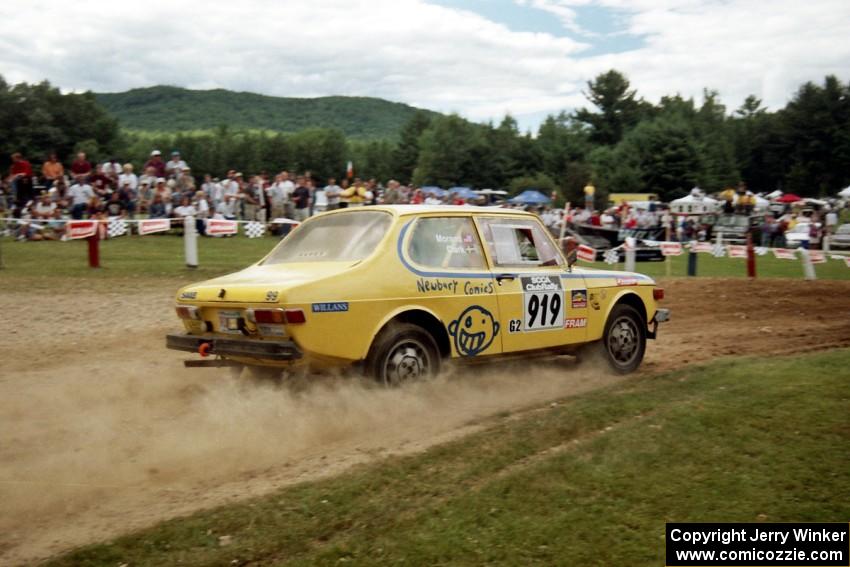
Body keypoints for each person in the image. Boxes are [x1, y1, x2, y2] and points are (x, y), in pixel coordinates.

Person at [7, 152, 34, 217]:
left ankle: (16, 195)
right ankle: (14, 195)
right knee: (11, 181)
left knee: (16, 179)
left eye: (13, 159)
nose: (13, 160)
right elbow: (12, 174)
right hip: (18, 180)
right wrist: (9, 179)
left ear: (17, 158)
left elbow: (25, 173)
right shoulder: (14, 165)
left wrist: (16, 175)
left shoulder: (25, 163)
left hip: (26, 179)